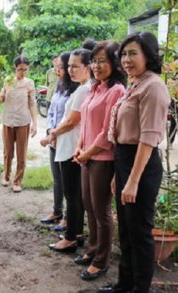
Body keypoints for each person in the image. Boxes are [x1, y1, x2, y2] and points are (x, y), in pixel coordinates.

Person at [99, 32, 171, 293]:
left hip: (141, 163)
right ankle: (124, 283)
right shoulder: (136, 83)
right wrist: (120, 174)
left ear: (148, 56)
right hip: (125, 161)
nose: (126, 60)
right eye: (124, 54)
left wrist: (132, 180)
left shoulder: (153, 86)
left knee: (140, 233)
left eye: (133, 54)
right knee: (127, 231)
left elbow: (149, 137)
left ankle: (140, 288)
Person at [73, 41, 126, 281]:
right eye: (94, 61)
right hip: (86, 156)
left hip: (102, 159)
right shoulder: (96, 87)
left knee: (102, 211)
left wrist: (88, 152)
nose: (96, 65)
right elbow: (85, 123)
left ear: (114, 62)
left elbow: (107, 133)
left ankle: (101, 260)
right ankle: (93, 248)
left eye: (102, 60)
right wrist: (79, 147)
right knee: (89, 207)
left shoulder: (116, 91)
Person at [48, 48, 92, 253]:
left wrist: (52, 133)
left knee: (72, 195)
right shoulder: (82, 88)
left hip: (70, 146)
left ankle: (71, 238)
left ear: (87, 67)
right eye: (69, 66)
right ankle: (77, 232)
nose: (70, 70)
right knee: (75, 195)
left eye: (75, 66)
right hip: (69, 145)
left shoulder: (83, 90)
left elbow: (73, 120)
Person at [40, 52, 77, 231]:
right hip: (53, 137)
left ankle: (69, 219)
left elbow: (70, 118)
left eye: (62, 67)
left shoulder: (77, 89)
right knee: (57, 179)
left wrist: (54, 135)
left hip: (64, 139)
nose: (59, 70)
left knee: (68, 182)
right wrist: (49, 131)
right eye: (58, 67)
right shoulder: (59, 86)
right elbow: (52, 110)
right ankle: (57, 211)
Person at [0, 55, 37, 192]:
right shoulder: (8, 81)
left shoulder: (30, 83)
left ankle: (17, 181)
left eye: (25, 69)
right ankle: (6, 176)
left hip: (23, 121)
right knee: (8, 151)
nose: (22, 72)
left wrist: (35, 123)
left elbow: (32, 104)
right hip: (8, 120)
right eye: (19, 69)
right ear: (15, 68)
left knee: (21, 153)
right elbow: (1, 100)